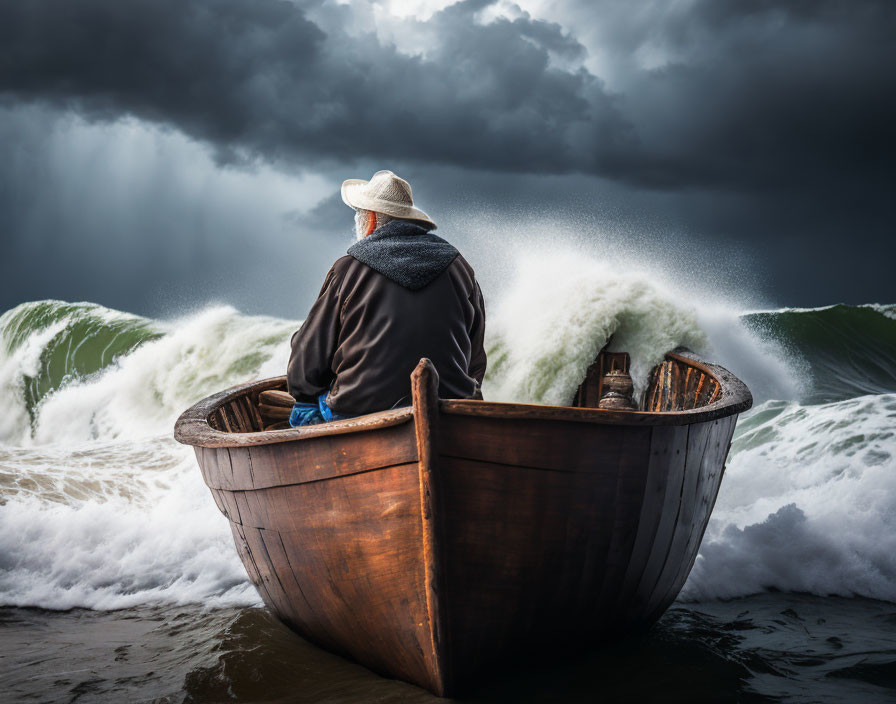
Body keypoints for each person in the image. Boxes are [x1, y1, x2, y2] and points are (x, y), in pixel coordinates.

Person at [287, 170, 486, 426]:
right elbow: (475, 361)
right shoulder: (460, 268)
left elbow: (308, 358)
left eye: (359, 215)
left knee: (304, 411)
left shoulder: (348, 269)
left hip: (358, 411)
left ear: (369, 219)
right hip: (448, 411)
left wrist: (304, 394)